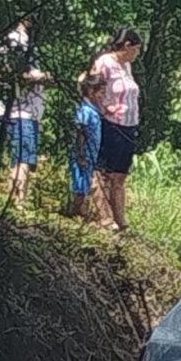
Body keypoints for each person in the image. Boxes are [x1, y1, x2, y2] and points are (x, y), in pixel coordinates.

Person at [88, 28, 143, 231]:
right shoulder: (105, 63)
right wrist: (103, 109)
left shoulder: (126, 65)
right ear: (126, 46)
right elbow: (90, 86)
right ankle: (105, 217)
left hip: (129, 125)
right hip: (110, 123)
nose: (136, 54)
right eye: (136, 49)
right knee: (102, 171)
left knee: (119, 174)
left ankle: (120, 219)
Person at [0, 18, 47, 208]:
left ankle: (14, 198)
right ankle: (17, 201)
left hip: (29, 111)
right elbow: (13, 73)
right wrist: (41, 77)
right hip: (21, 111)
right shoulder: (15, 40)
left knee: (20, 156)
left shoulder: (26, 41)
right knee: (22, 157)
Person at [68, 72, 105, 221]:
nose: (103, 96)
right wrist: (79, 153)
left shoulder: (94, 112)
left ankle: (81, 210)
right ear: (91, 91)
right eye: (101, 92)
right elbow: (79, 132)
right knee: (79, 184)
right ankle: (75, 212)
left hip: (90, 155)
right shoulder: (84, 111)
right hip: (82, 154)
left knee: (86, 182)